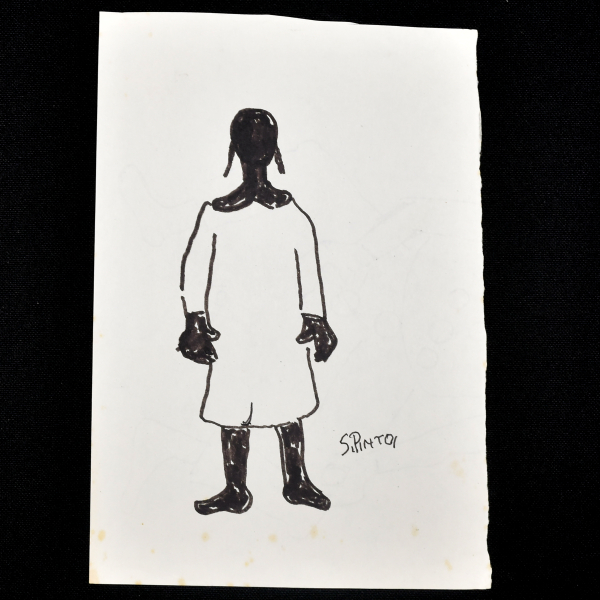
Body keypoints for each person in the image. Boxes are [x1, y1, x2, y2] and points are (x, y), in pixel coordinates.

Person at [178, 108, 337, 515]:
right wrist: (195, 320)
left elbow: (308, 268)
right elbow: (195, 269)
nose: (256, 148)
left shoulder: (291, 212)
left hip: (281, 328)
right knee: (234, 409)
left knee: (288, 404)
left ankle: (296, 481)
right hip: (232, 329)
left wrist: (316, 318)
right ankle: (236, 489)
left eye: (261, 141)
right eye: (252, 141)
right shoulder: (216, 213)